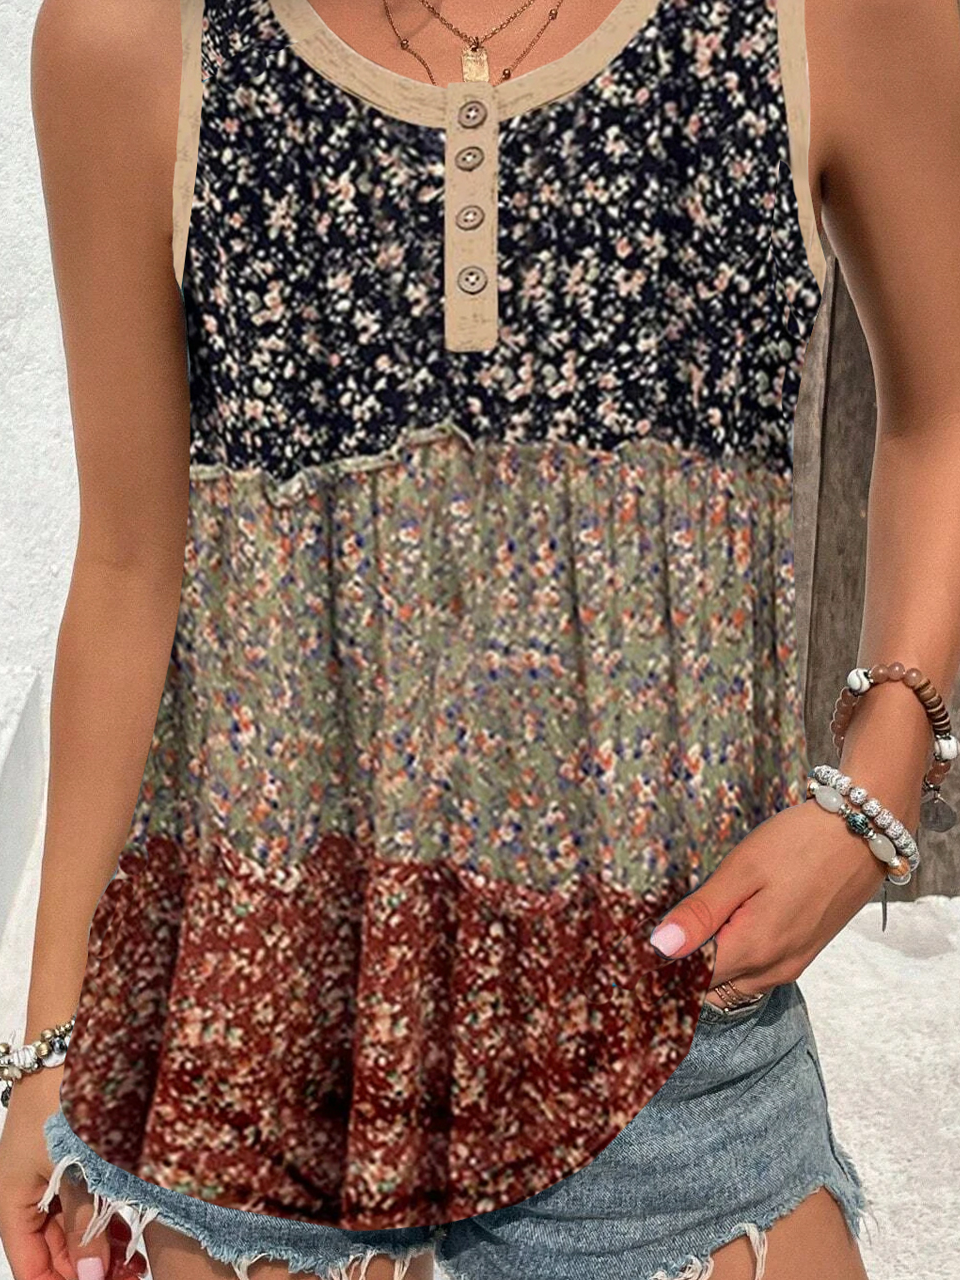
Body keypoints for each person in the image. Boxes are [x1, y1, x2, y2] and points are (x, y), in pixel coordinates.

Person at [2, 0, 960, 1277]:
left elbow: (944, 411)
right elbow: (131, 562)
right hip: (254, 1063)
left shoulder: (827, 16)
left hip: (673, 1034)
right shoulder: (131, 38)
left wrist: (875, 790)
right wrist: (52, 1046)